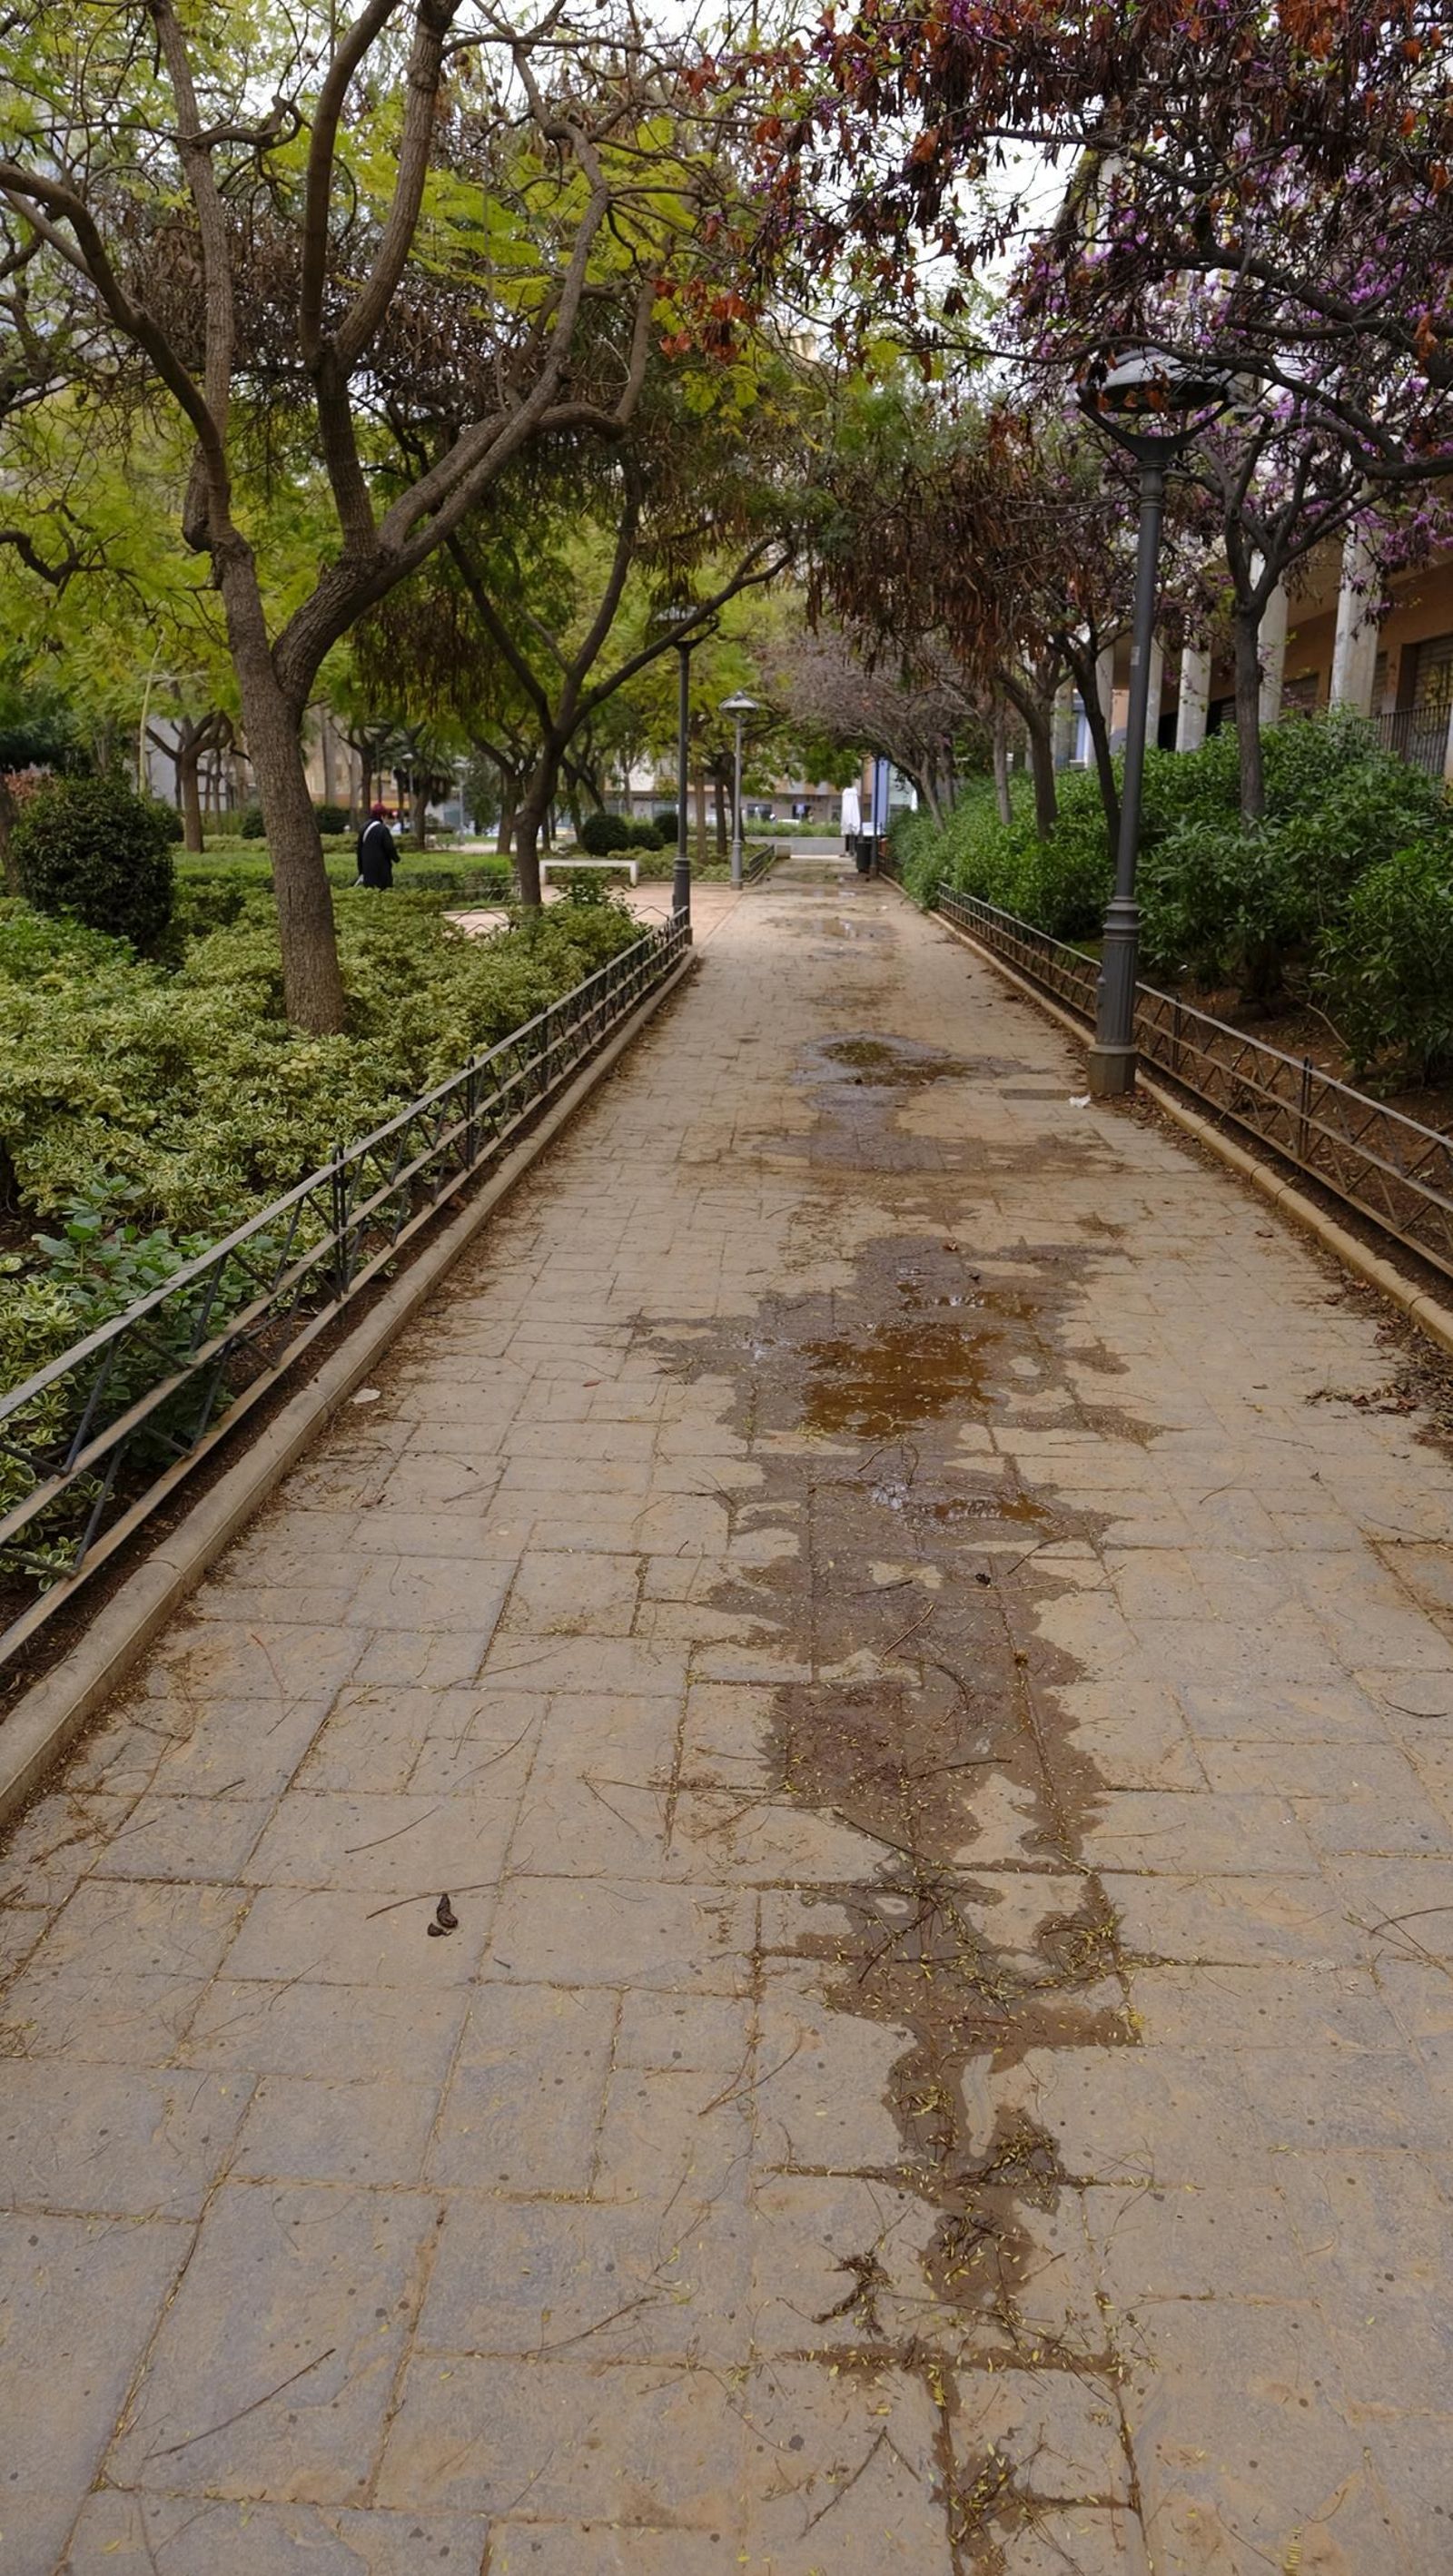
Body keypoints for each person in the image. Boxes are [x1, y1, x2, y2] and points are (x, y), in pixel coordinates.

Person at [355, 803, 396, 889]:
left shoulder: (363, 827)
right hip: (382, 869)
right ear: (382, 816)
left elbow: (359, 850)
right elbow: (390, 847)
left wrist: (361, 870)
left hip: (367, 869)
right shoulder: (383, 829)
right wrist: (396, 858)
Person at [839, 780, 861, 864]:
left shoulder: (850, 794)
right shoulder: (850, 794)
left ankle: (850, 850)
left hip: (849, 817)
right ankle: (851, 850)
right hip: (851, 818)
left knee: (850, 832)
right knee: (851, 832)